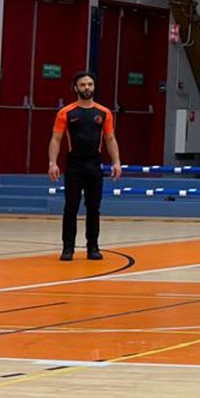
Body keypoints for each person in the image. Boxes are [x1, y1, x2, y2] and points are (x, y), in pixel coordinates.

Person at [47, 72, 121, 262]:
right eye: (83, 85)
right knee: (70, 207)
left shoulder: (104, 113)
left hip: (94, 165)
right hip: (74, 165)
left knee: (93, 207)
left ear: (94, 87)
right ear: (76, 88)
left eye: (90, 84)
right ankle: (68, 248)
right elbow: (56, 139)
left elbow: (110, 138)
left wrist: (116, 162)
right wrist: (52, 163)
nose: (87, 87)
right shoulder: (66, 112)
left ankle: (93, 247)